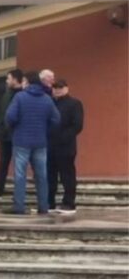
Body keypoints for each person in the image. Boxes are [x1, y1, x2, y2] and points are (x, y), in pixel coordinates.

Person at [5, 71, 61, 215]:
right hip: (40, 142)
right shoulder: (47, 99)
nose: (23, 83)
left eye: (24, 81)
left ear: (28, 82)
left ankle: (19, 206)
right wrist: (45, 130)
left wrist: (15, 128)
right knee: (42, 176)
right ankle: (43, 207)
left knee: (20, 175)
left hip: (21, 141)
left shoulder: (20, 97)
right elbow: (56, 119)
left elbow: (10, 117)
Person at [48, 79, 84, 214]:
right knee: (50, 175)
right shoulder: (50, 103)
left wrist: (63, 137)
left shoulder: (74, 103)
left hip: (66, 146)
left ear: (67, 88)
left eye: (60, 87)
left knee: (67, 175)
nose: (57, 90)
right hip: (50, 145)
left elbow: (77, 125)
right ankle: (49, 202)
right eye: (55, 87)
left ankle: (69, 203)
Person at [0, 69, 24, 199]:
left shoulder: (22, 95)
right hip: (4, 135)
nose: (6, 81)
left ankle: (19, 193)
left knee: (19, 164)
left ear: (15, 79)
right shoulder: (6, 94)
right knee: (3, 163)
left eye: (8, 78)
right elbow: (0, 113)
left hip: (18, 135)